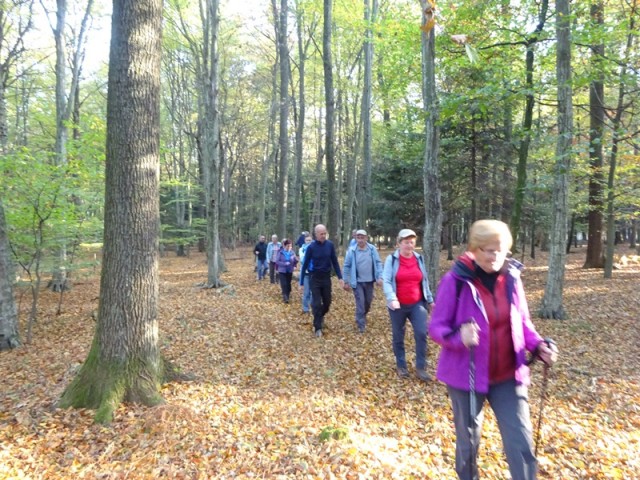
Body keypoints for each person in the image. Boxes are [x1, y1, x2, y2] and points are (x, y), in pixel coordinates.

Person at [429, 219, 559, 480]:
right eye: (489, 250)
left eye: (501, 249)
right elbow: (436, 327)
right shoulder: (455, 281)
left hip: (509, 376)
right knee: (469, 443)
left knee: (520, 441)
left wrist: (539, 345)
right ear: (474, 250)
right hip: (466, 376)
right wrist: (458, 337)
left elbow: (523, 322)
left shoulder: (511, 279)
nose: (496, 255)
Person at [382, 228, 434, 382]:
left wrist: (430, 300)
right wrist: (392, 298)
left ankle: (421, 367)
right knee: (399, 335)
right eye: (406, 242)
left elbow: (424, 281)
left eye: (412, 242)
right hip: (397, 305)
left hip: (417, 303)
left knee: (421, 332)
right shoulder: (392, 260)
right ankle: (401, 365)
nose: (409, 245)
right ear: (399, 244)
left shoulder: (419, 259)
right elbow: (386, 281)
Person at [299, 224, 344, 338]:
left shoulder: (330, 245)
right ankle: (318, 327)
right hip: (315, 278)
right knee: (317, 303)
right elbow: (304, 265)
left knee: (327, 303)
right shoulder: (311, 247)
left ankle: (319, 317)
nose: (323, 236)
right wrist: (301, 282)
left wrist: (340, 277)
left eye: (325, 233)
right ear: (316, 234)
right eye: (321, 234)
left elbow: (335, 262)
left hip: (326, 277)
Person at [342, 229, 383, 333]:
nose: (360, 240)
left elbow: (378, 263)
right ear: (356, 238)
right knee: (360, 302)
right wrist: (345, 281)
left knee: (368, 302)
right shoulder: (352, 251)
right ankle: (361, 325)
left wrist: (379, 276)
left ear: (366, 238)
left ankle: (362, 316)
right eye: (358, 238)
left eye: (362, 237)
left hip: (370, 281)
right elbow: (346, 266)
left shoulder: (372, 249)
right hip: (357, 282)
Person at [276, 239, 298, 303]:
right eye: (288, 246)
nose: (289, 247)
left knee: (288, 284)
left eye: (290, 246)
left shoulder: (292, 252)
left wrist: (296, 260)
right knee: (284, 284)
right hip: (282, 270)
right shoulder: (280, 252)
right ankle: (285, 297)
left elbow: (295, 262)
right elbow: (277, 261)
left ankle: (287, 294)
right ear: (284, 246)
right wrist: (284, 264)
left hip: (289, 270)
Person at [298, 233, 313, 315]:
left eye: (310, 240)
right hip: (305, 273)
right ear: (304, 241)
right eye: (307, 240)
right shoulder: (301, 249)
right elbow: (302, 259)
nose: (308, 242)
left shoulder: (315, 248)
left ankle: (312, 307)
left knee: (313, 292)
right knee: (306, 292)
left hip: (313, 273)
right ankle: (305, 309)